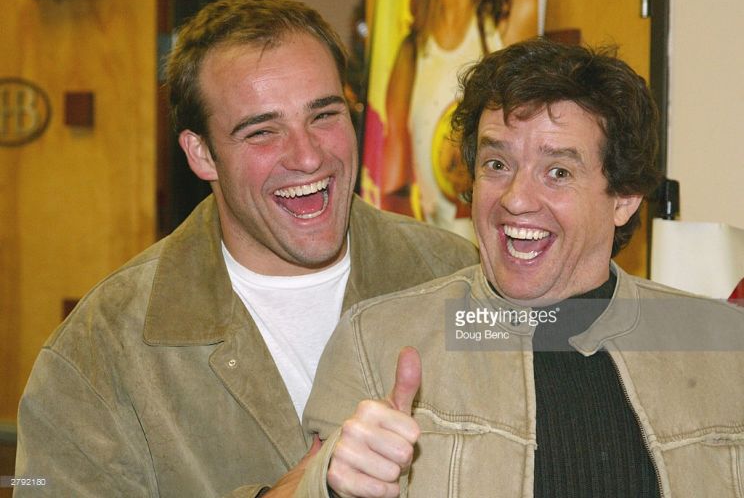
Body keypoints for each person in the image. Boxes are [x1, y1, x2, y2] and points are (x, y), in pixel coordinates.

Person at [13, 0, 478, 498]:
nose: (307, 157)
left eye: (324, 115)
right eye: (261, 132)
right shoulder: (101, 348)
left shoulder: (458, 276)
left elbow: (544, 418)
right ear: (201, 154)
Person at [300, 38, 744, 497]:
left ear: (624, 198)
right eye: (497, 164)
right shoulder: (376, 342)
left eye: (558, 172)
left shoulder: (727, 346)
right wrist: (334, 487)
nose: (515, 198)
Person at [381, 0, 537, 240]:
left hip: (503, 245)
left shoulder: (514, 8)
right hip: (437, 249)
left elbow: (530, 143)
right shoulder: (411, 51)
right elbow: (394, 188)